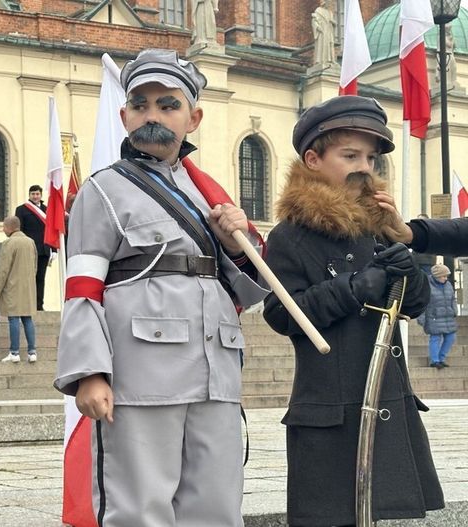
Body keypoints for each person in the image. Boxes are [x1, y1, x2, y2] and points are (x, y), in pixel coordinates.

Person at [54, 48, 268, 526]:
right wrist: (90, 371)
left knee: (215, 508)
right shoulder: (102, 189)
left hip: (216, 371)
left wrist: (241, 239)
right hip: (141, 373)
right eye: (141, 103)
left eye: (168, 104)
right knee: (139, 508)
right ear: (124, 114)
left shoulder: (207, 192)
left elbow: (250, 292)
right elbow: (82, 289)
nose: (153, 115)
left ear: (193, 118)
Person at [262, 95, 442, 526]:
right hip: (330, 411)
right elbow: (282, 314)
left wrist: (409, 269)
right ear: (312, 159)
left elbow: (413, 305)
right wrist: (353, 288)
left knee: (376, 514)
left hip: (383, 400)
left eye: (371, 158)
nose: (364, 167)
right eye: (349, 155)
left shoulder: (379, 226)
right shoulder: (291, 235)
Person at [0, 216, 38, 363]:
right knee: (27, 318)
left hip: (12, 287)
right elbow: (35, 266)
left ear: (10, 227)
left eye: (4, 226)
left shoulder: (9, 243)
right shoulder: (30, 242)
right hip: (28, 287)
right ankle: (32, 352)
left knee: (13, 318)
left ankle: (14, 352)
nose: (3, 229)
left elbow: (3, 270)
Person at [14, 185, 55, 310]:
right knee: (28, 278)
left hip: (43, 249)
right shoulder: (21, 210)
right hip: (29, 249)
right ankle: (27, 304)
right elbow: (19, 230)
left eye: (37, 194)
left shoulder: (47, 209)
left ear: (41, 195)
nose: (35, 196)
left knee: (40, 278)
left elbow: (52, 230)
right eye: (33, 194)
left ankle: (39, 305)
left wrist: (53, 249)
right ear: (29, 195)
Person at [417, 264, 457, 369]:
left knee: (451, 337)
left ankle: (441, 358)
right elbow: (423, 303)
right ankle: (435, 361)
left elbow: (453, 299)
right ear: (437, 276)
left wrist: (454, 310)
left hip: (448, 317)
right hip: (433, 317)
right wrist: (421, 318)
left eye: (446, 276)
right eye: (443, 276)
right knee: (435, 338)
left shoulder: (448, 285)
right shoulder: (427, 286)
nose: (446, 278)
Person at [311, 0, 336, 67]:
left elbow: (334, 23)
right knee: (322, 45)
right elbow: (314, 20)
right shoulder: (318, 10)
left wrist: (333, 22)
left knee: (331, 44)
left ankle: (331, 60)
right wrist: (318, 27)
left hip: (329, 31)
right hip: (322, 32)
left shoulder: (330, 12)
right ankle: (322, 60)